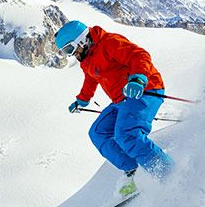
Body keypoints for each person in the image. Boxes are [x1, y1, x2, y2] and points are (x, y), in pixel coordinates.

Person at [55, 20, 174, 196]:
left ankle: (169, 175)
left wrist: (138, 78)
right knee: (98, 133)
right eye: (66, 52)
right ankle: (134, 171)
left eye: (70, 49)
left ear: (80, 40)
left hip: (145, 89)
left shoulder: (109, 42)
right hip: (122, 99)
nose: (71, 55)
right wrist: (82, 100)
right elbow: (91, 78)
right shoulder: (86, 59)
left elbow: (139, 55)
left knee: (127, 134)